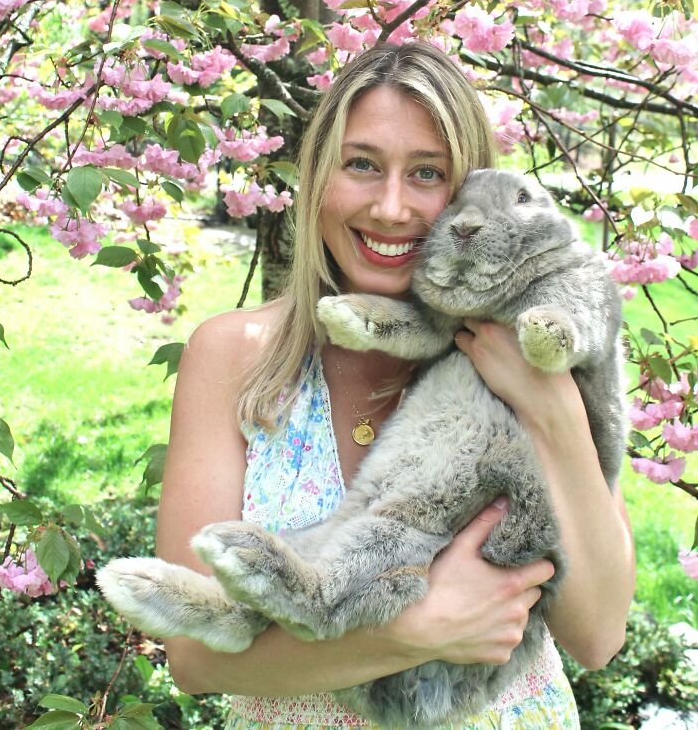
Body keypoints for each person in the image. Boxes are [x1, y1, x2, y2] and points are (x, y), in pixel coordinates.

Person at [156, 42, 635, 729]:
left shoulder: (536, 347)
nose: (390, 208)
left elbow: (598, 634)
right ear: (319, 174)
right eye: (361, 164)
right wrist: (418, 627)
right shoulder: (235, 356)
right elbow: (194, 656)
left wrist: (553, 408)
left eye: (428, 174)